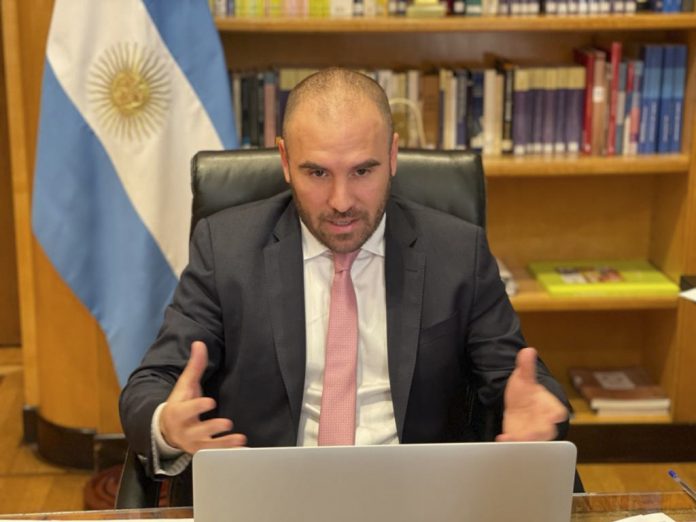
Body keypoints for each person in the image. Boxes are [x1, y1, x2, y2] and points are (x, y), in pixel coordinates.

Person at [119, 67, 570, 479]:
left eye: (362, 171)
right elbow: (151, 384)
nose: (341, 201)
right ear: (285, 161)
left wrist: (539, 412)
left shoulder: (456, 252)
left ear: (392, 156)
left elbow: (521, 381)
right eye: (317, 172)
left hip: (416, 491)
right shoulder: (226, 248)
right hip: (270, 492)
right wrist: (167, 425)